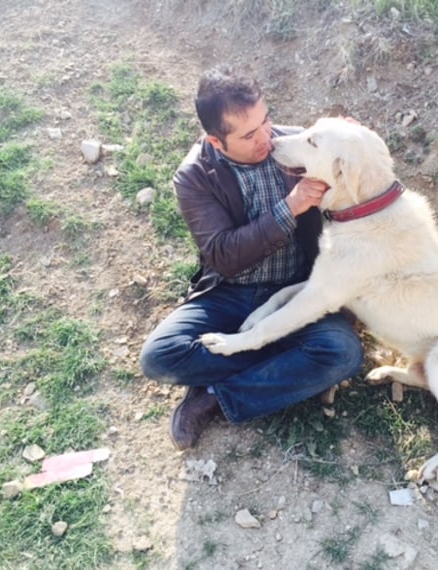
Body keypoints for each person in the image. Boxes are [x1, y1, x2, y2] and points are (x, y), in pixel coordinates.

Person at [139, 67, 364, 451]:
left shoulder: (297, 143)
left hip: (297, 290)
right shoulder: (195, 176)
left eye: (266, 121)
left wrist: (353, 140)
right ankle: (277, 358)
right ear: (215, 139)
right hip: (230, 293)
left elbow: (360, 181)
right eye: (248, 135)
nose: (266, 138)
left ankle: (213, 396)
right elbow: (224, 257)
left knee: (343, 354)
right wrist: (289, 208)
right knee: (160, 356)